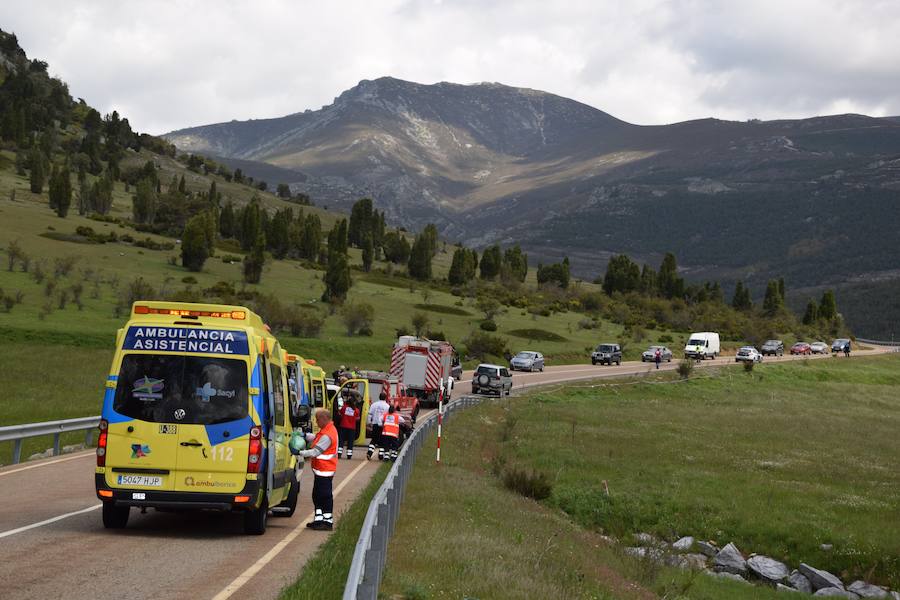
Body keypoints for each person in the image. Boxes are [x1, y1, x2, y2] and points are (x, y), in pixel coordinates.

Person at [297, 409, 338, 530]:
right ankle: (319, 520)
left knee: (324, 495)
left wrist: (299, 452)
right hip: (321, 469)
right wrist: (306, 436)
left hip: (325, 469)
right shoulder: (327, 430)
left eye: (318, 419)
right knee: (317, 495)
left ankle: (327, 522)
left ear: (325, 418)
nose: (316, 421)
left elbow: (316, 451)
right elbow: (317, 437)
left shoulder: (328, 434)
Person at [367, 391, 390, 460]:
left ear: (379, 397)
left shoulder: (374, 404)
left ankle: (369, 453)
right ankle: (380, 456)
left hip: (375, 424)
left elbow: (370, 414)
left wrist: (369, 422)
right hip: (383, 425)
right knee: (382, 440)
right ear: (385, 398)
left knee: (374, 439)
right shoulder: (387, 406)